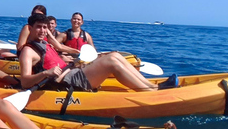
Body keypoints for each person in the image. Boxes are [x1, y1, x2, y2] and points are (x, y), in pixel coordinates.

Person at [18, 13, 178, 92]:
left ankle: (151, 86)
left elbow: (54, 56)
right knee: (111, 62)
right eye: (39, 27)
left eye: (45, 27)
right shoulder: (28, 51)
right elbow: (25, 82)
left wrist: (66, 59)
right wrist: (46, 73)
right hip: (67, 82)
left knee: (114, 55)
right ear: (30, 28)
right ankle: (150, 91)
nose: (43, 30)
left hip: (73, 70)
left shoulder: (45, 42)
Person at [7, 5, 77, 59]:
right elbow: (20, 47)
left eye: (40, 15)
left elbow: (58, 46)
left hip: (44, 54)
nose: (37, 17)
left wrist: (76, 51)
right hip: (33, 56)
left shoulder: (46, 30)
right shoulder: (28, 28)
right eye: (34, 14)